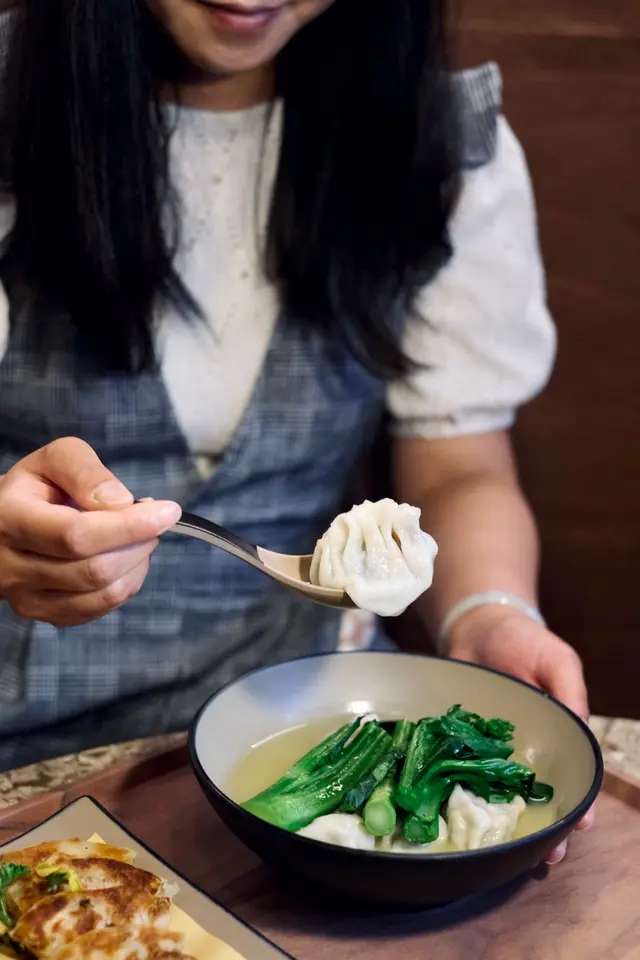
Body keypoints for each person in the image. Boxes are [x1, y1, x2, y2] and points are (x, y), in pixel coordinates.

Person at [0, 1, 591, 858]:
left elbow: (458, 463)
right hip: (29, 748)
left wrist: (490, 615)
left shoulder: (433, 138)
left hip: (301, 726)